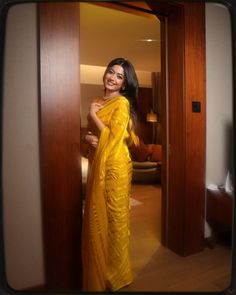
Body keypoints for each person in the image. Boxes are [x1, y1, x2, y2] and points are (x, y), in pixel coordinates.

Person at [82, 57, 139, 291]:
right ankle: (99, 267)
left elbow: (114, 139)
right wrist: (87, 138)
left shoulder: (122, 103)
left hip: (115, 168)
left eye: (119, 76)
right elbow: (92, 133)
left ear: (124, 84)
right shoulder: (98, 100)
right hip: (99, 162)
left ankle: (116, 274)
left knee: (115, 221)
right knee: (97, 216)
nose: (113, 78)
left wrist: (93, 116)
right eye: (111, 72)